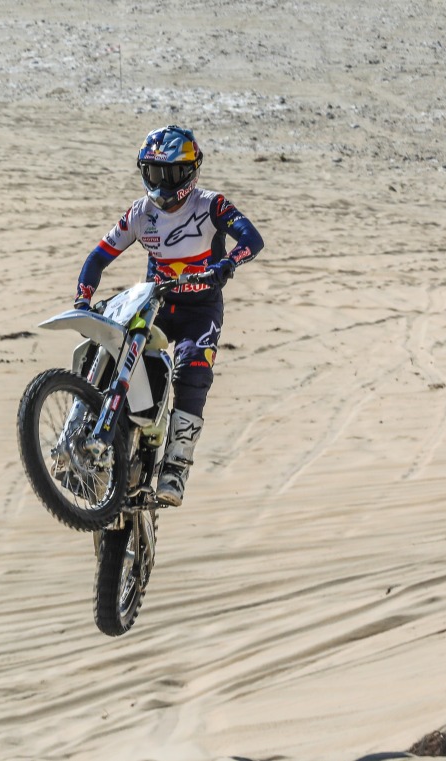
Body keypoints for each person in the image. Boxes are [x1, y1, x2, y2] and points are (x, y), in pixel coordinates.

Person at [73, 125, 264, 507]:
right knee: (108, 348)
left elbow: (252, 238)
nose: (162, 183)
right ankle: (82, 437)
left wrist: (228, 263)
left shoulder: (211, 204)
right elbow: (99, 257)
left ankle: (176, 465)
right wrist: (83, 300)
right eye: (154, 173)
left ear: (190, 172)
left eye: (171, 174)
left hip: (200, 308)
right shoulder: (141, 212)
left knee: (193, 372)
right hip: (154, 304)